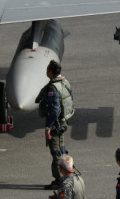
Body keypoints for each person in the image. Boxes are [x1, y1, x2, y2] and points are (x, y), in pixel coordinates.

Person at [36, 60, 74, 190]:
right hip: (63, 121)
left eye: (47, 70)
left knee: (56, 152)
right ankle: (65, 175)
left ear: (51, 72)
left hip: (55, 125)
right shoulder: (65, 83)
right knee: (61, 150)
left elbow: (54, 110)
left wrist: (48, 127)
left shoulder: (53, 88)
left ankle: (59, 179)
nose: (46, 72)